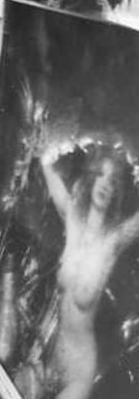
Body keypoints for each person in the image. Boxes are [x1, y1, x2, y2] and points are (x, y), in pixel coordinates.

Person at [36, 136, 139, 399]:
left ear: (118, 191)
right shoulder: (72, 220)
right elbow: (48, 169)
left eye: (113, 181)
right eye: (102, 175)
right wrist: (41, 147)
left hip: (78, 370)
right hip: (47, 353)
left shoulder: (112, 242)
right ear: (91, 177)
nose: (106, 184)